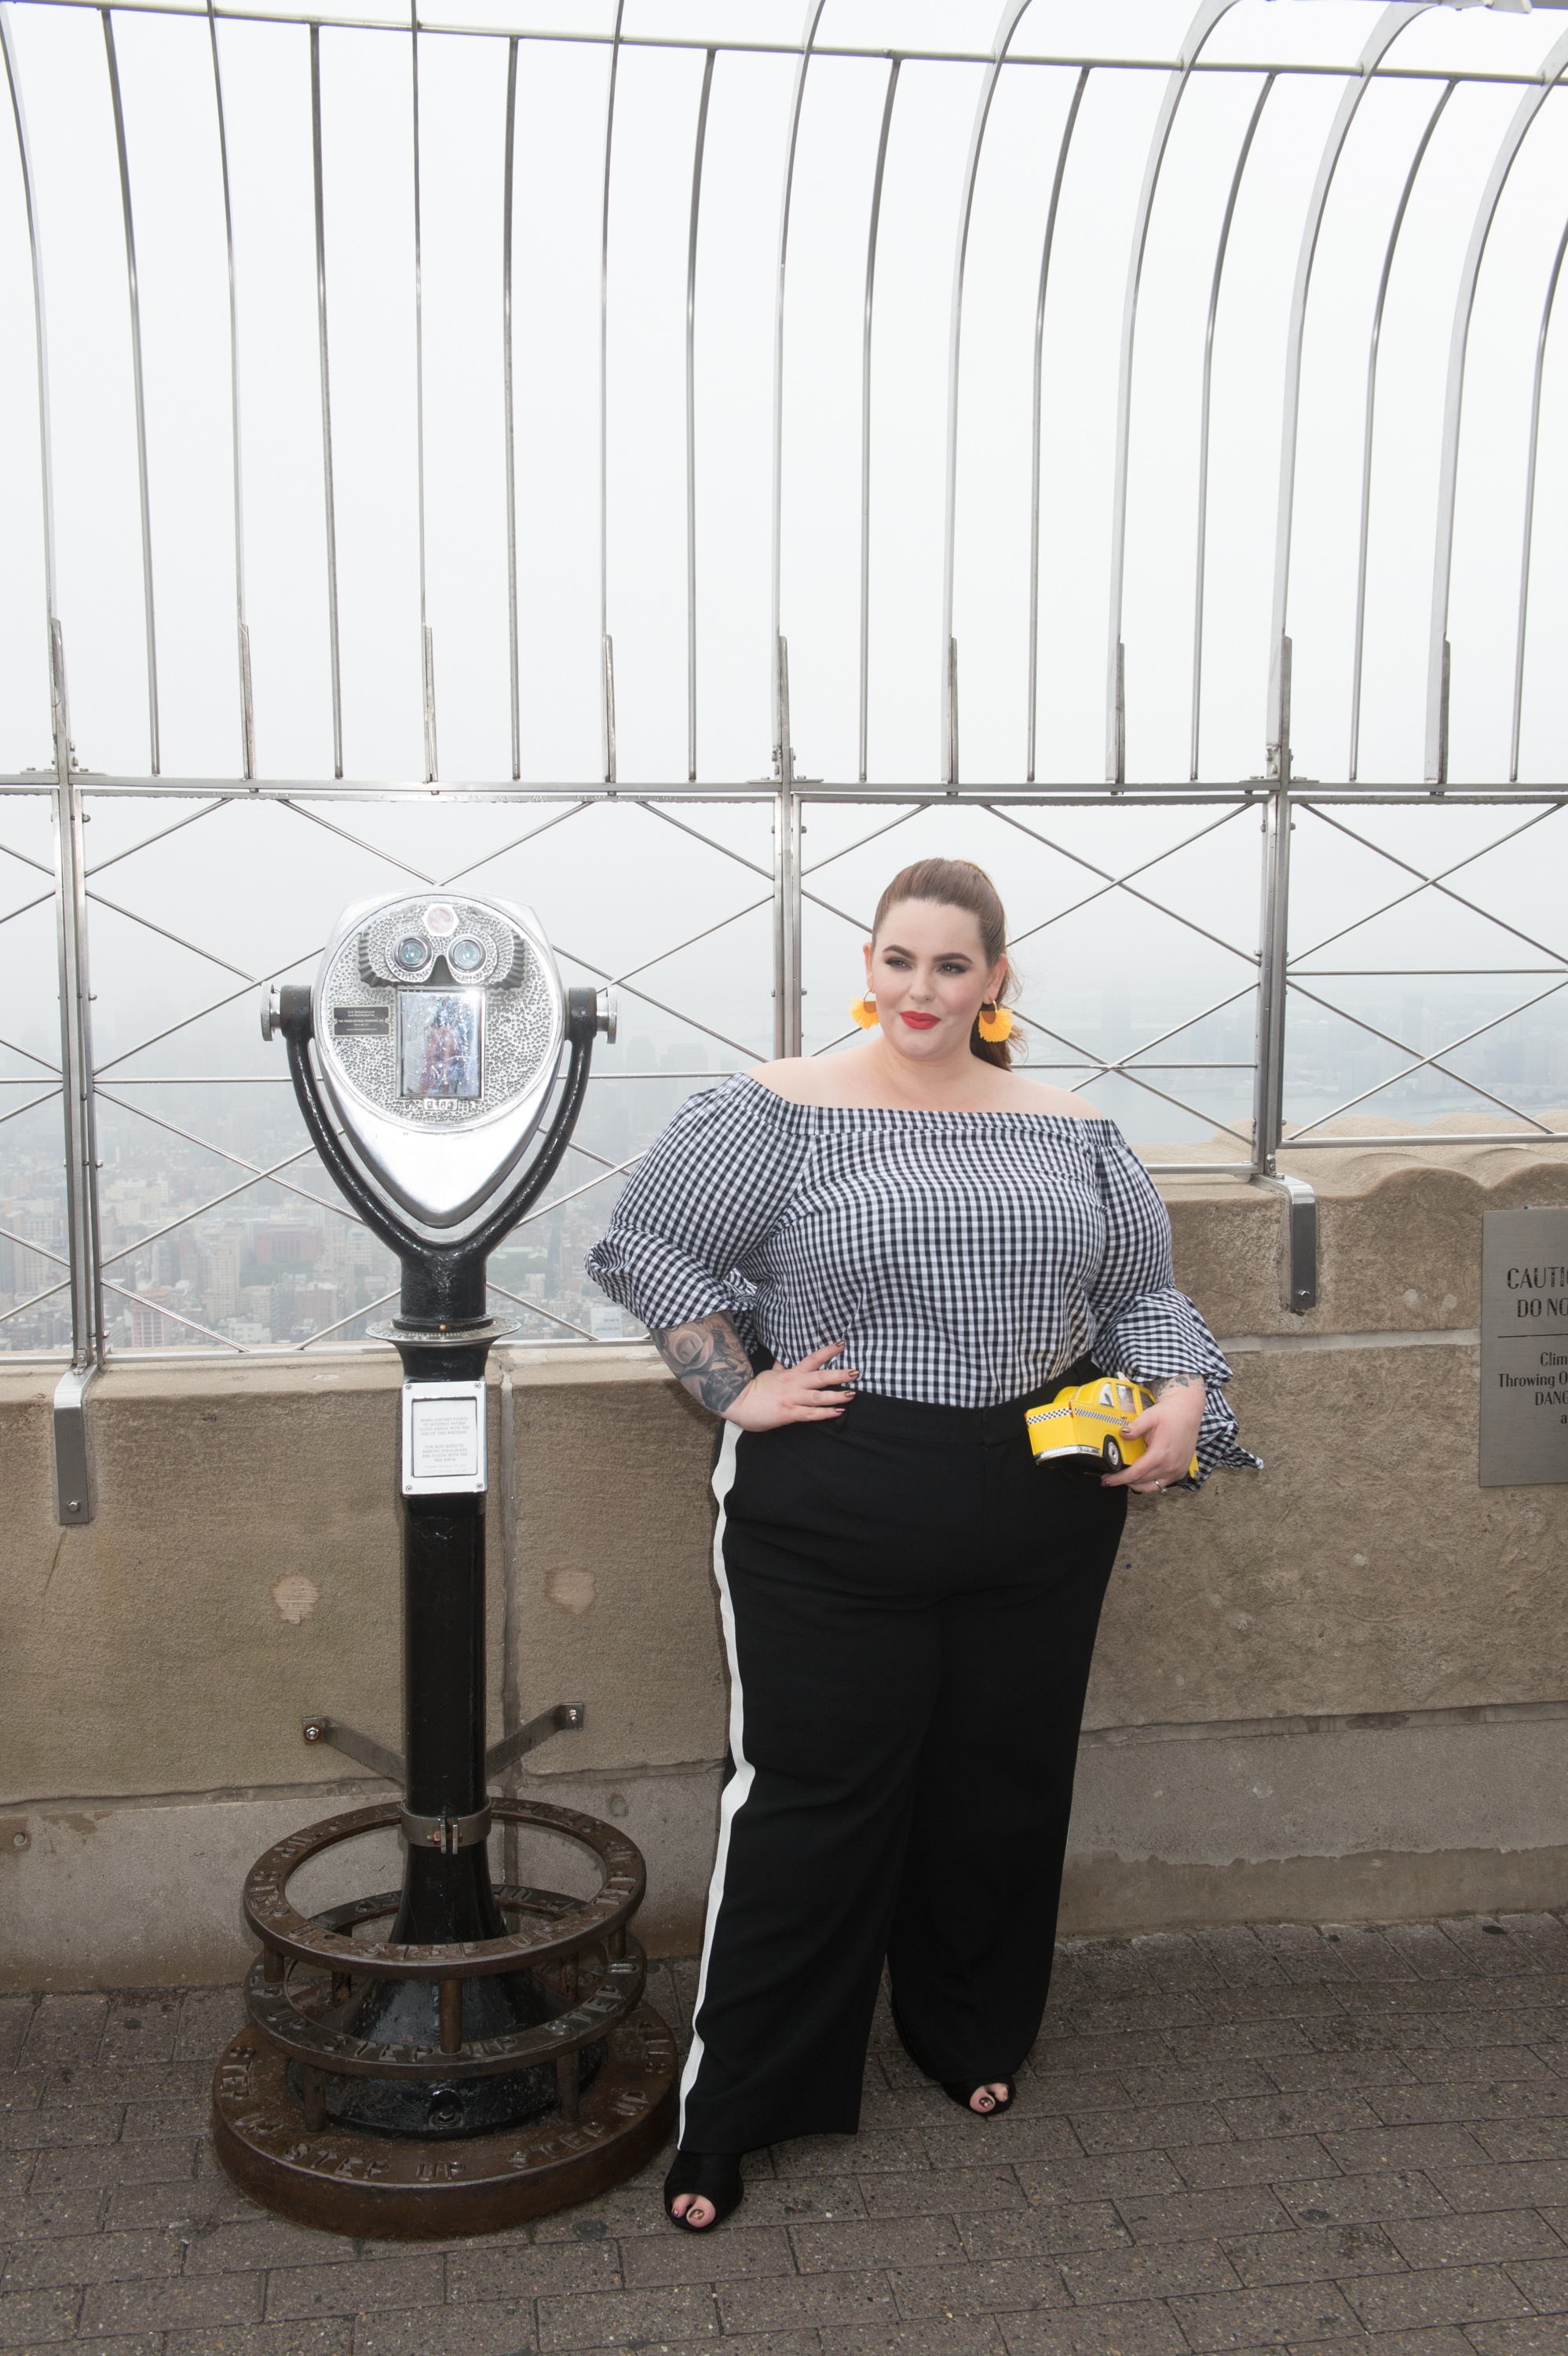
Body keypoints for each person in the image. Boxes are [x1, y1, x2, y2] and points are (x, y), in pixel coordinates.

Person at [584, 858, 1258, 2233]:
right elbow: (644, 1241)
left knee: (998, 1782)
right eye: (900, 959)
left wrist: (1188, 1395)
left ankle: (969, 2037)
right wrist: (732, 1387)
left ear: (995, 981)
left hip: (1044, 1490)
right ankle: (740, 2112)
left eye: (952, 966)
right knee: (810, 1801)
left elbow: (1142, 1294)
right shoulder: (776, 1109)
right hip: (837, 1489)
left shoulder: (1069, 1128)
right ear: (870, 963)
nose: (920, 989)